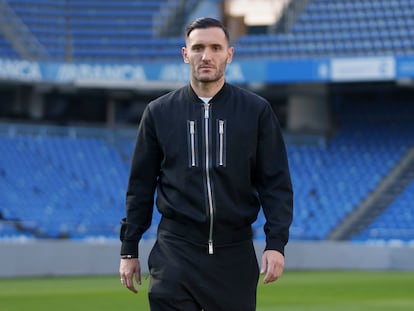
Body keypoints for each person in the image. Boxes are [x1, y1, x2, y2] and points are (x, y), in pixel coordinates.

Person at [119, 17, 293, 311]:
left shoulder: (256, 111)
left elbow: (275, 183)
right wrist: (128, 249)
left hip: (234, 256)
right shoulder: (158, 113)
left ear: (229, 54)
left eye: (215, 47)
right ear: (185, 54)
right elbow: (140, 186)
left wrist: (276, 243)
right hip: (175, 254)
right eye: (198, 47)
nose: (206, 56)